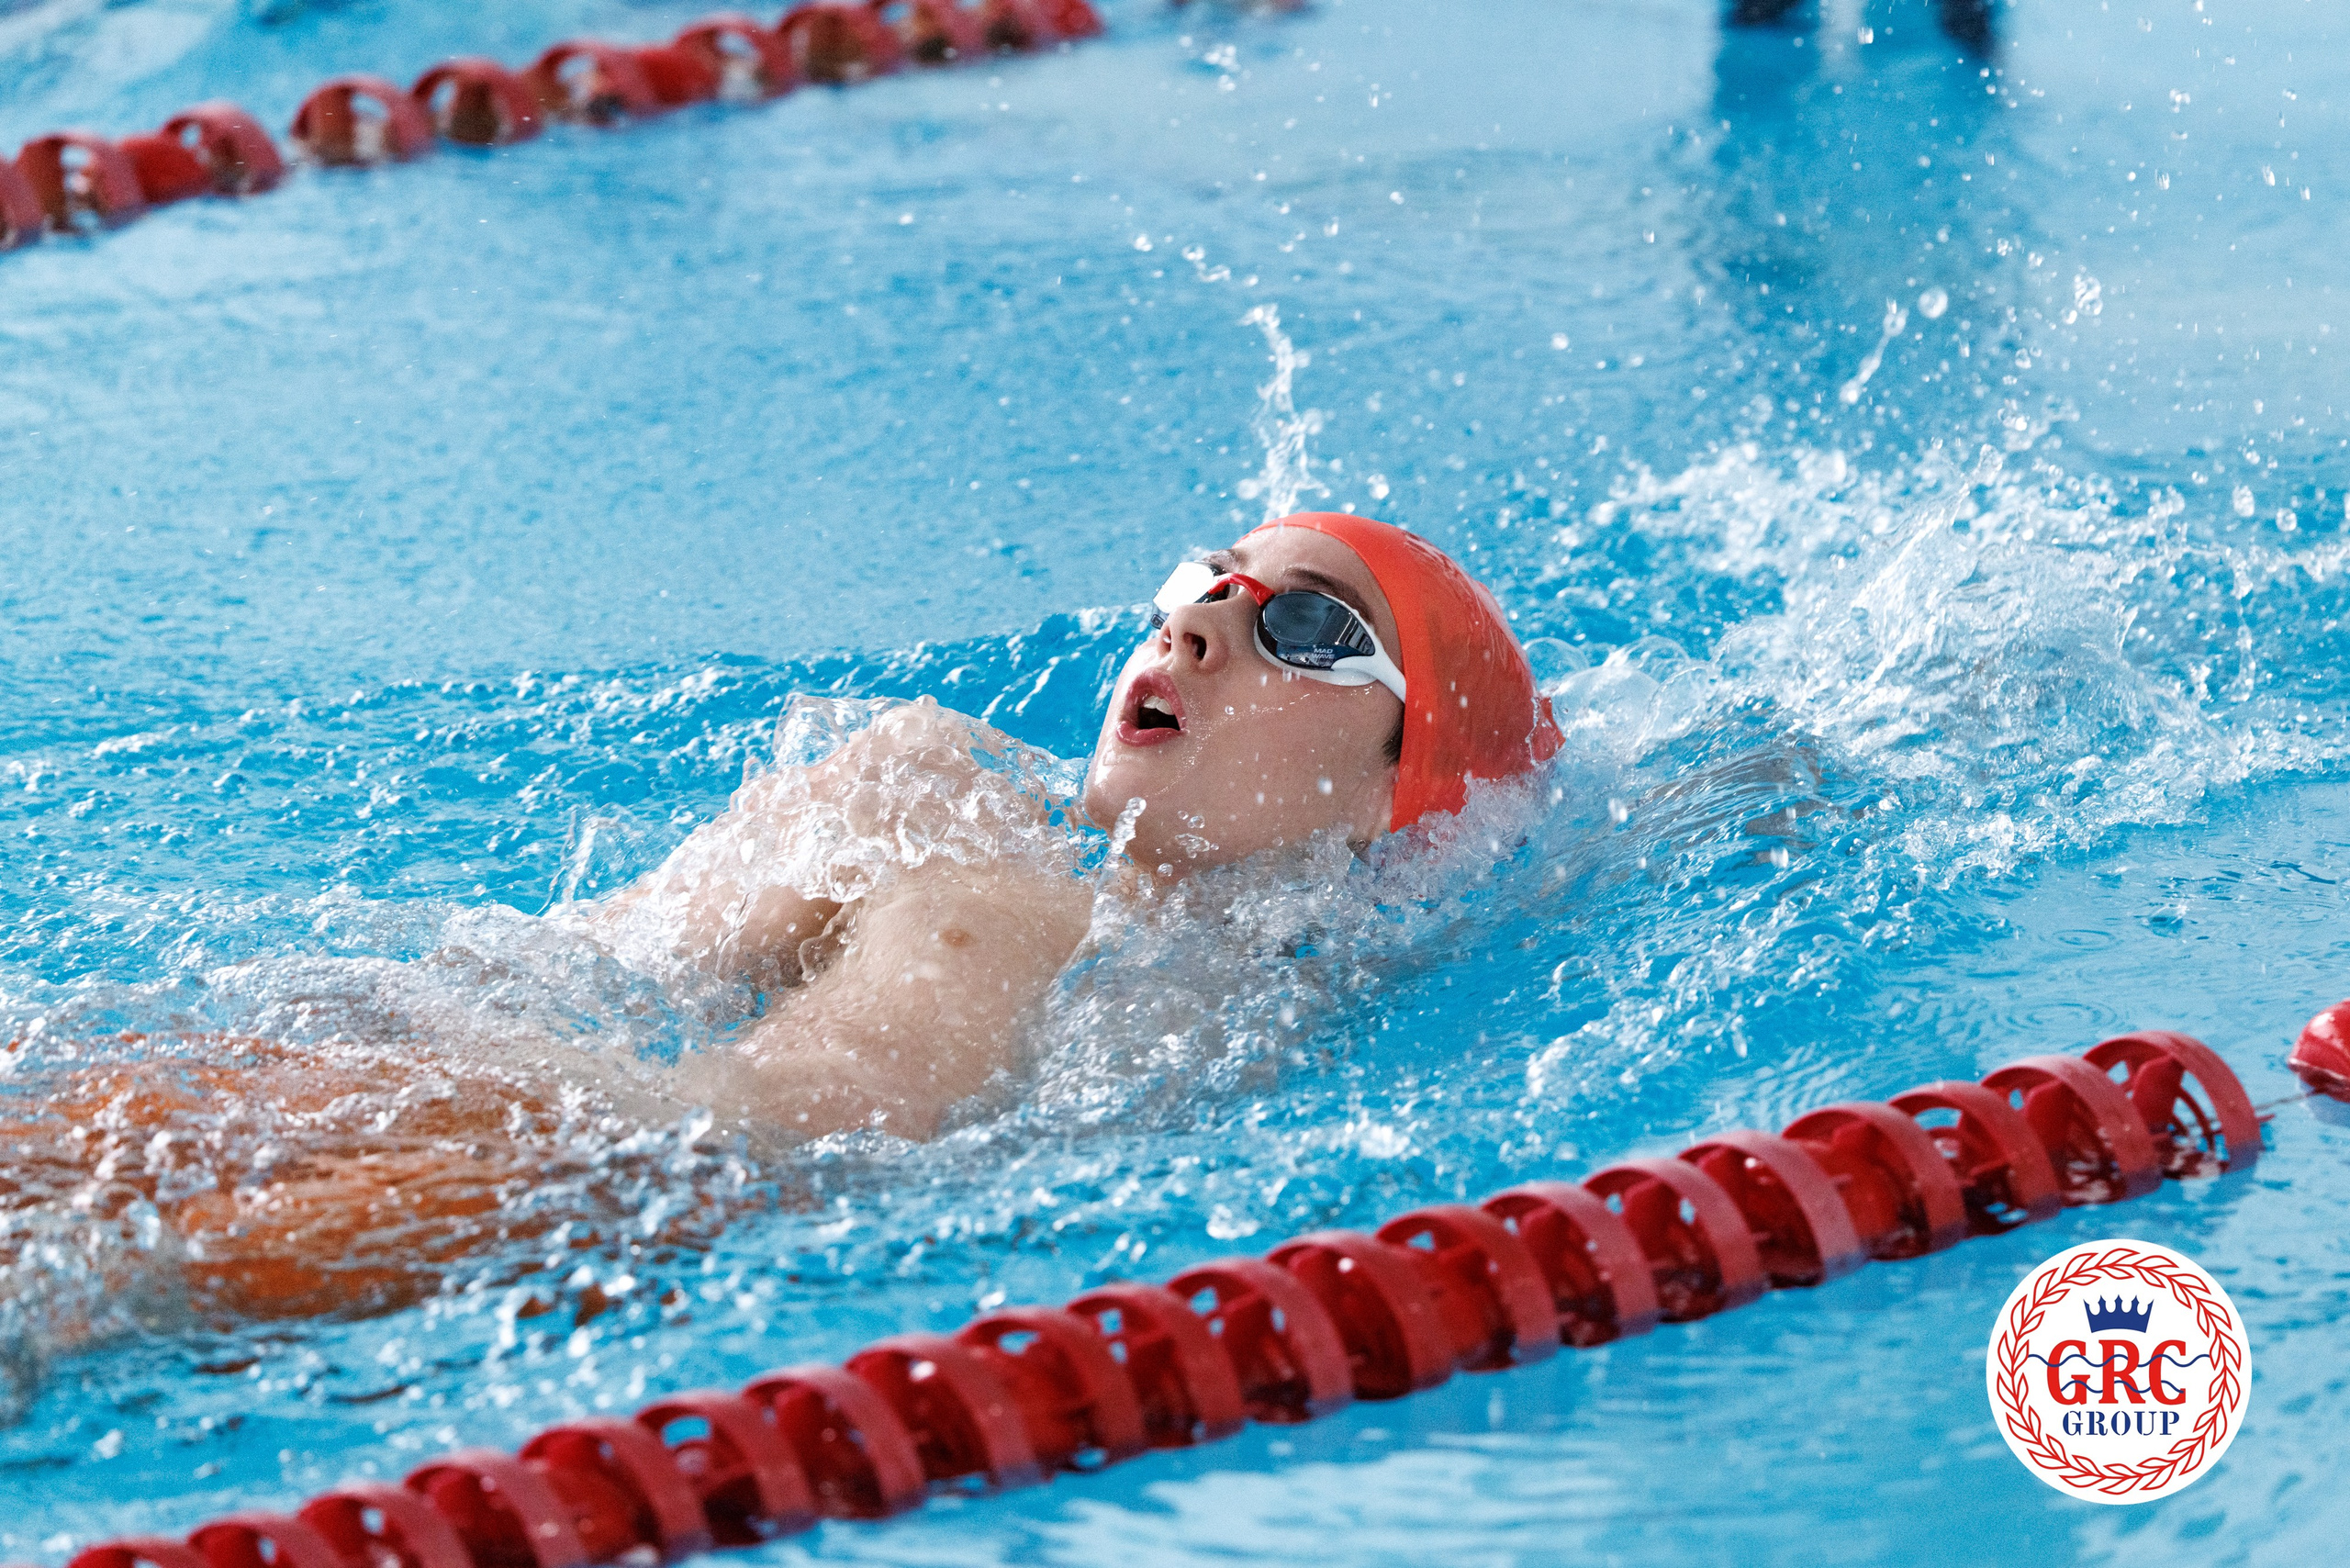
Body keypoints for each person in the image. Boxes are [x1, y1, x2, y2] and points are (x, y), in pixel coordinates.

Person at [4, 512, 1558, 1320]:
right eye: (1203, 581)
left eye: (1302, 623)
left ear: (1394, 792)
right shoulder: (920, 791)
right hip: (516, 1103)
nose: (1204, 619)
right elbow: (582, 967)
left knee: (72, 1308)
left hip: (634, 1188)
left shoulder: (1251, 999)